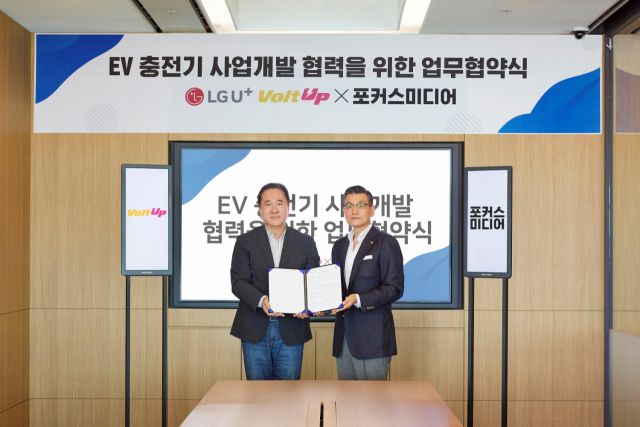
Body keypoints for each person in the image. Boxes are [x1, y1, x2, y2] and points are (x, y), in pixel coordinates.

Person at [230, 183, 319, 380]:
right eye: (268, 204)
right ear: (260, 209)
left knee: (288, 393)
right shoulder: (245, 241)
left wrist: (308, 306)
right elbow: (238, 282)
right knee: (258, 393)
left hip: (292, 328)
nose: (274, 209)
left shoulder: (306, 242)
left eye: (279, 203)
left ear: (288, 207)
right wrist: (262, 300)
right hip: (254, 329)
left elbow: (313, 282)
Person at [330, 185, 404, 380]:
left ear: (371, 210)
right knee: (345, 397)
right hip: (344, 338)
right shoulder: (339, 246)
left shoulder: (385, 242)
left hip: (373, 338)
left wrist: (359, 299)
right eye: (349, 206)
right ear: (344, 210)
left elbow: (394, 288)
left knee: (373, 398)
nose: (354, 211)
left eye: (361, 205)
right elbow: (337, 287)